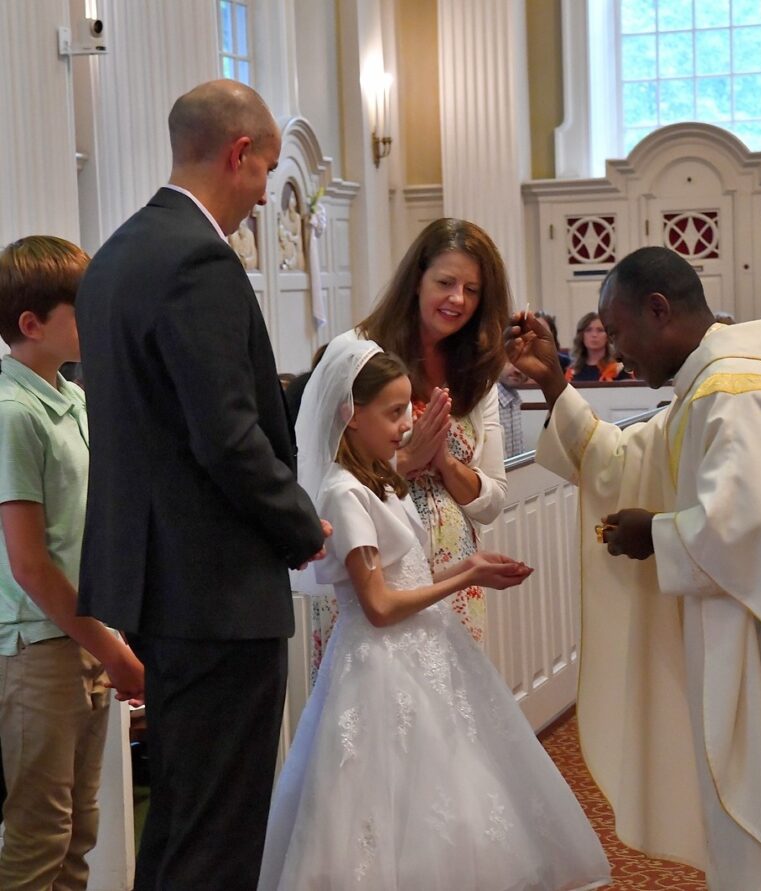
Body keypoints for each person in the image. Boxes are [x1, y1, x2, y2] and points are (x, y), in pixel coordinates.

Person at [75, 80, 328, 890]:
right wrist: (301, 525)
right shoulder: (199, 260)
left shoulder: (116, 254)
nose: (264, 197)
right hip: (215, 589)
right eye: (266, 173)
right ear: (238, 153)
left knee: (183, 815)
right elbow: (225, 435)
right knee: (220, 827)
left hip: (158, 585)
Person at [257, 335, 611, 891]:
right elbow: (376, 606)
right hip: (380, 665)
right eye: (394, 412)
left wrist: (467, 564)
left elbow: (408, 577)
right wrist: (465, 577)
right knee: (387, 808)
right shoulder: (344, 493)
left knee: (449, 799)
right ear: (350, 416)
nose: (406, 426)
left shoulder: (380, 478)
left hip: (423, 653)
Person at [507, 245, 761, 890]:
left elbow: (744, 527)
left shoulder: (732, 390)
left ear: (659, 310)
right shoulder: (704, 385)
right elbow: (623, 460)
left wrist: (655, 533)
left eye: (619, 331)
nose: (619, 347)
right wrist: (551, 385)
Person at [0, 236, 144, 890]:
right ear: (30, 324)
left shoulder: (72, 398)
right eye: (81, 308)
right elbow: (29, 563)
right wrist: (108, 647)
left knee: (78, 832)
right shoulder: (12, 413)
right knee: (39, 836)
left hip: (83, 631)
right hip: (37, 643)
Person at [359, 218, 510, 643]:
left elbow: (491, 501)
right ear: (416, 280)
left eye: (473, 289)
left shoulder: (477, 373)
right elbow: (330, 484)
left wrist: (443, 462)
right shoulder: (360, 354)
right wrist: (407, 461)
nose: (457, 299)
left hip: (454, 576)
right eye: (445, 282)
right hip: (381, 572)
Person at [564, 310, 630, 382]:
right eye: (588, 330)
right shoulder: (572, 371)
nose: (594, 335)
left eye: (600, 330)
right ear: (581, 335)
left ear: (608, 335)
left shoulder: (619, 369)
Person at [497, 358, 527, 458]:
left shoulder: (515, 399)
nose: (517, 370)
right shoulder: (484, 400)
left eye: (523, 364)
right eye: (511, 361)